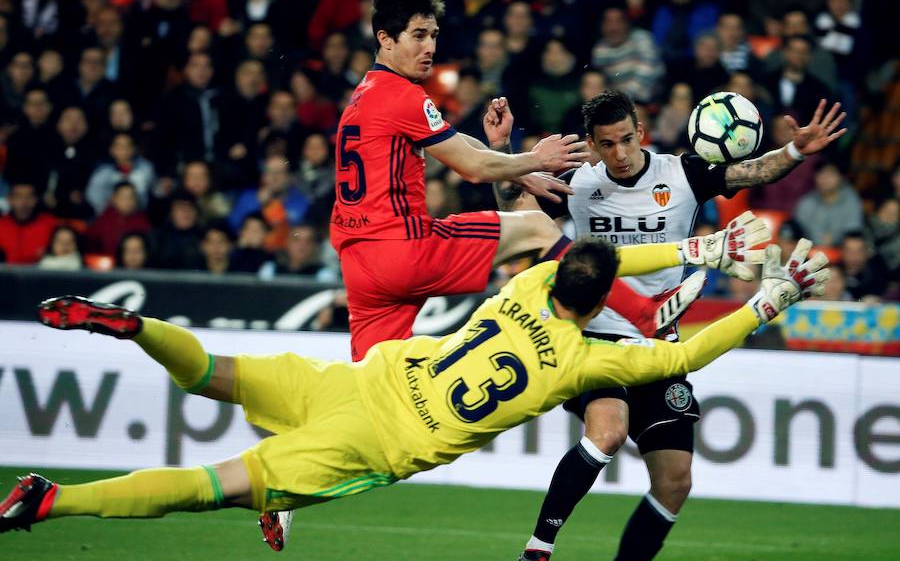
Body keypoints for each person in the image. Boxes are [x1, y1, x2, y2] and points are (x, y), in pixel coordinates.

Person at [0, 237, 830, 545]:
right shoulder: (586, 364)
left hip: (356, 379)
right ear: (602, 298)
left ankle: (137, 328)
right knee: (208, 487)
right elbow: (689, 354)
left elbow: (598, 253)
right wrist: (764, 297)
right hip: (374, 443)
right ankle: (53, 503)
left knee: (213, 372)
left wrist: (694, 245)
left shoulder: (529, 285)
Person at [502, 90, 846, 561]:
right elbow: (516, 216)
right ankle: (537, 550)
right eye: (606, 144)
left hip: (657, 343)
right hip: (592, 335)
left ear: (640, 132)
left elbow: (753, 171)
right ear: (592, 143)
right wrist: (503, 154)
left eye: (626, 139)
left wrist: (795, 151)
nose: (619, 154)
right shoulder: (576, 182)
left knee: (675, 481)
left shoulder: (681, 173)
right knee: (607, 431)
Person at [330, 0, 688, 365]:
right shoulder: (405, 95)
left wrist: (517, 172)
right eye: (418, 35)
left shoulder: (365, 93)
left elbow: (463, 146)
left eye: (433, 35)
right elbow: (473, 167)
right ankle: (641, 312)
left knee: (375, 376)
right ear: (385, 38)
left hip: (359, 265)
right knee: (536, 226)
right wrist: (536, 160)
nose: (430, 47)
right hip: (405, 248)